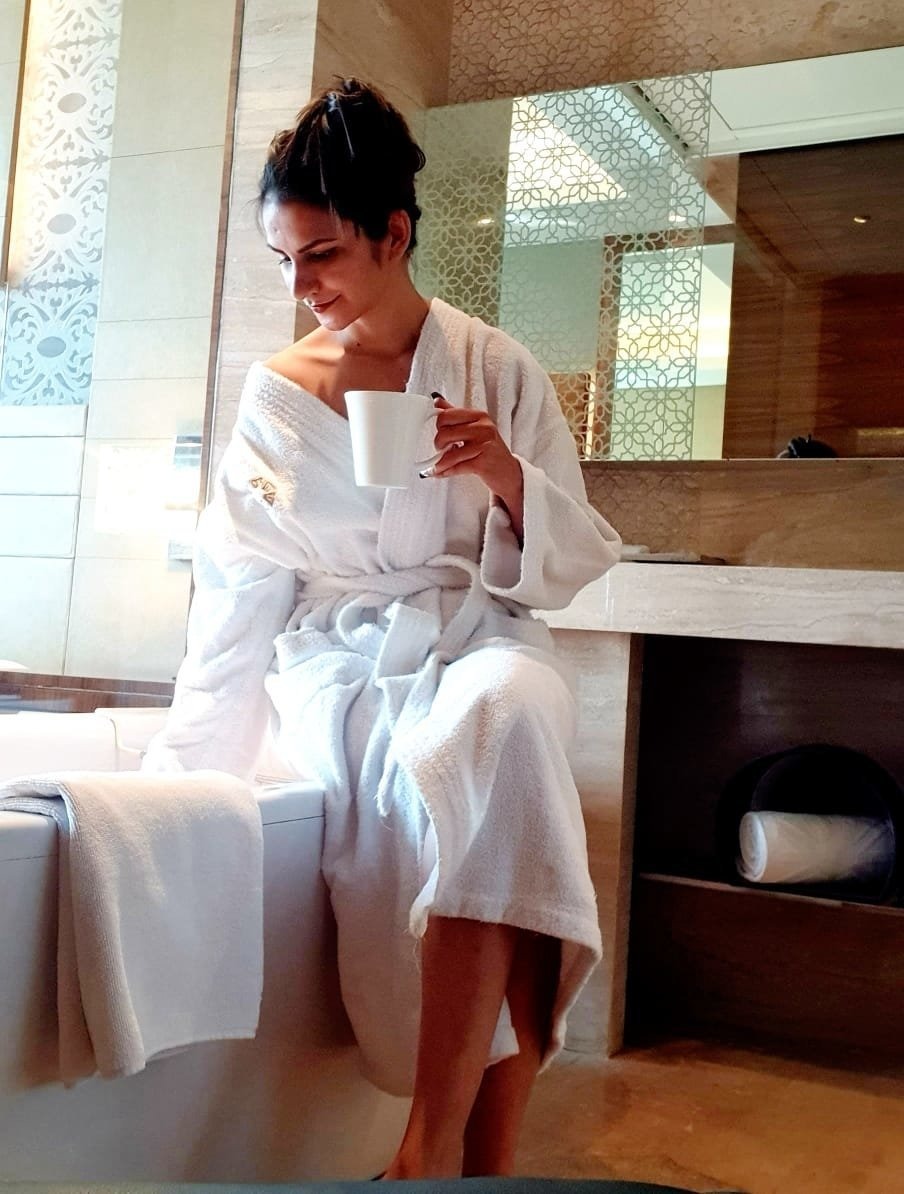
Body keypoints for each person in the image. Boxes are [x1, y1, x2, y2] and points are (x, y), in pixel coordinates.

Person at [144, 78, 621, 1179]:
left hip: (482, 632)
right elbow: (240, 582)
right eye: (283, 260)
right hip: (340, 657)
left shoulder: (495, 367)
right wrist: (189, 765)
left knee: (507, 719)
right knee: (505, 785)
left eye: (320, 255)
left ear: (393, 235)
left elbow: (569, 561)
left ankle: (430, 1152)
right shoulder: (276, 395)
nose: (300, 286)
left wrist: (505, 474)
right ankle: (462, 1160)